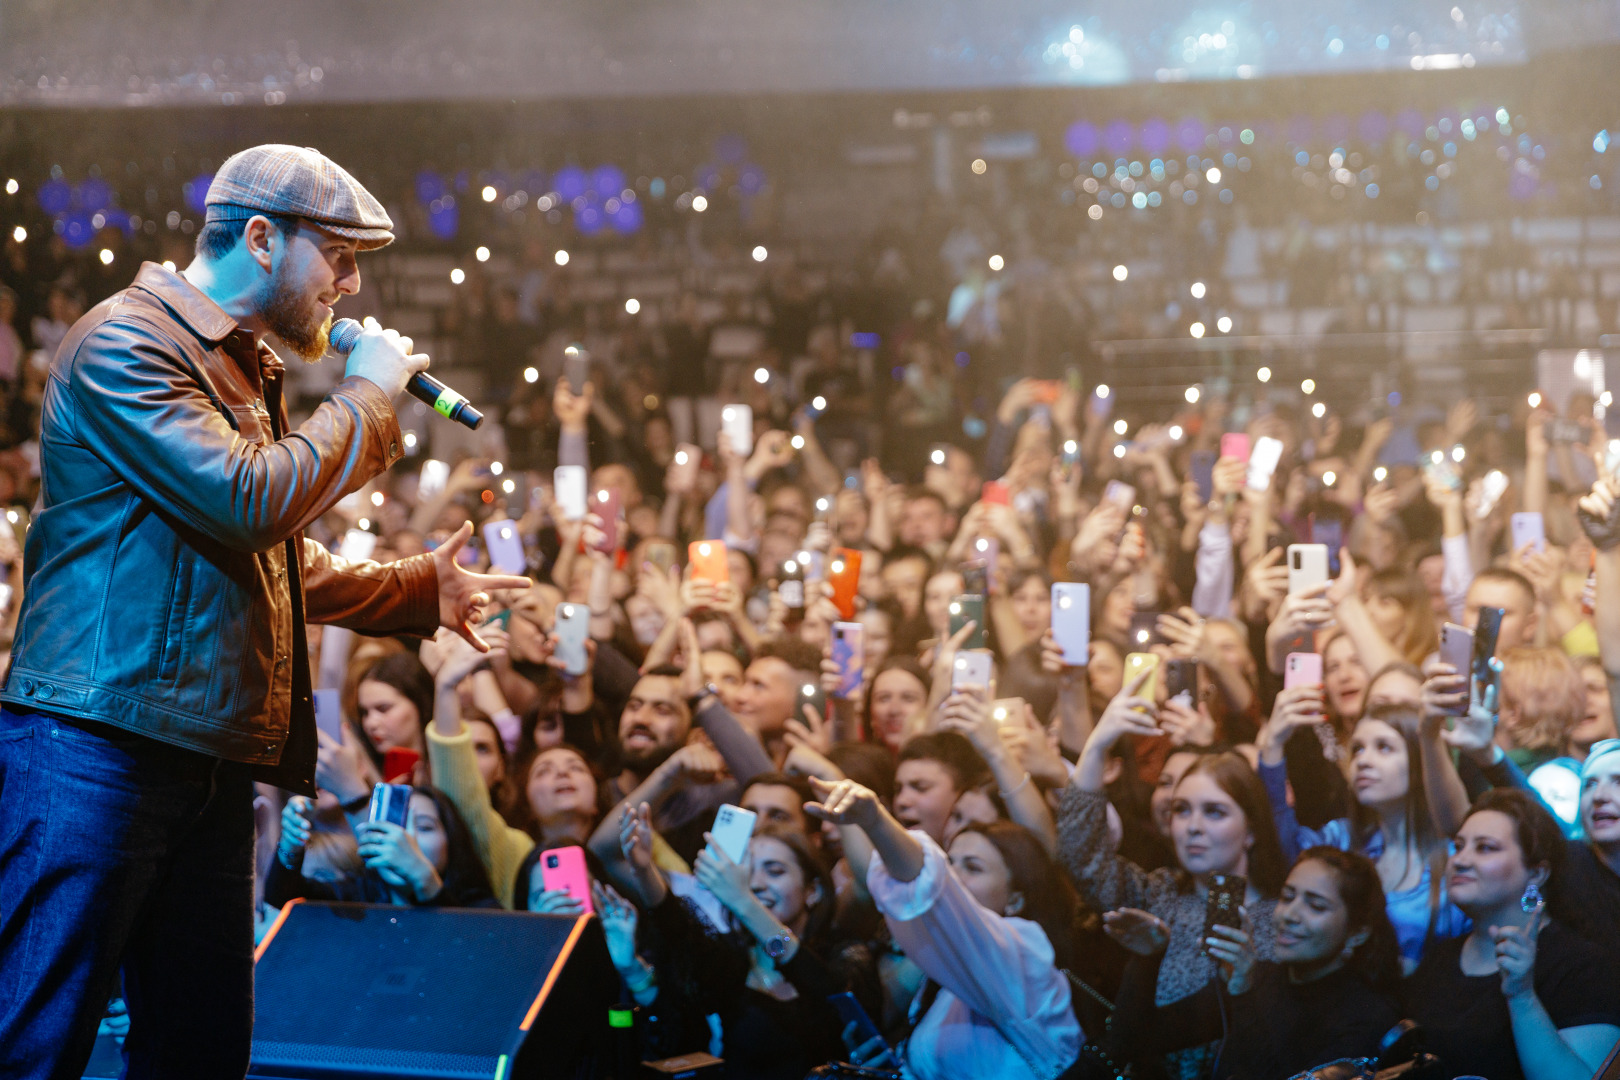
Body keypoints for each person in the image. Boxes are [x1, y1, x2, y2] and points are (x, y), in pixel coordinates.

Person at [0, 144, 528, 1080]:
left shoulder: (243, 365)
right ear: (259, 236)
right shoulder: (128, 341)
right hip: (95, 744)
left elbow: (260, 554)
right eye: (339, 256)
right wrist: (367, 392)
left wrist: (415, 589)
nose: (351, 284)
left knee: (199, 1054)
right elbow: (249, 500)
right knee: (36, 1044)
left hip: (196, 752)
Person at [1057, 669, 1287, 1076]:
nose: (1193, 826)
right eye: (1182, 809)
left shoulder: (1285, 917)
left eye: (1214, 811)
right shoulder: (1157, 894)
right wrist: (1096, 747)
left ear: (1251, 831)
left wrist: (1247, 984)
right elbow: (1084, 858)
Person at [807, 777, 1082, 1079]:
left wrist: (875, 821)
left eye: (973, 867)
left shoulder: (1024, 952)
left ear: (1016, 899)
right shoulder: (950, 970)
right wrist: (888, 1067)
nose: (955, 876)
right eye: (951, 863)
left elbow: (928, 887)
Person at [1106, 847, 1402, 1079]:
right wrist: (1146, 958)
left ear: (1357, 933)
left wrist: (1245, 992)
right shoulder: (1262, 977)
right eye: (1287, 897)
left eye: (1315, 906)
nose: (1289, 914)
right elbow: (1134, 1041)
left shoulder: (1369, 1017)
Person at [1403, 789, 1620, 1080]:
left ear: (1536, 874)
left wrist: (1522, 995)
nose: (1460, 860)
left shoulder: (1583, 967)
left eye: (1485, 848)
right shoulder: (1440, 959)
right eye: (1458, 846)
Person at [268, 786, 497, 908]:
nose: (406, 839)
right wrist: (292, 844)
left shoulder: (481, 909)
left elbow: (474, 958)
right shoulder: (357, 899)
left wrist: (427, 883)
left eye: (424, 827)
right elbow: (283, 900)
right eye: (395, 827)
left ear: (452, 843)